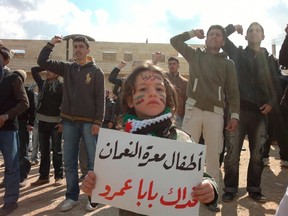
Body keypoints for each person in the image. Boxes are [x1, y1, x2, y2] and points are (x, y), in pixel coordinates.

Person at [81, 62, 219, 215]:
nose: (153, 93)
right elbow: (102, 185)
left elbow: (202, 177)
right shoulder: (118, 144)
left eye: (159, 89)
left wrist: (210, 187)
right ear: (130, 100)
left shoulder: (182, 139)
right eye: (143, 89)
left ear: (167, 98)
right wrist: (91, 187)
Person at [170, 25, 240, 211]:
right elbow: (174, 41)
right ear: (205, 38)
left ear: (223, 41)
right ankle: (181, 194)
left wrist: (234, 115)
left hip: (215, 112)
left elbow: (233, 92)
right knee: (186, 152)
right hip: (193, 109)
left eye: (218, 35)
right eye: (211, 34)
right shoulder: (195, 56)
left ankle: (211, 197)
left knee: (213, 156)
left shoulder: (228, 64)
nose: (214, 37)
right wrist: (192, 33)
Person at [37, 35, 105, 212]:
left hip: (89, 123)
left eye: (81, 46)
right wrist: (51, 44)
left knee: (93, 162)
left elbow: (100, 99)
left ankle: (93, 197)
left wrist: (98, 121)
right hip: (69, 122)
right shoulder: (67, 68)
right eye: (75, 46)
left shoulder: (96, 72)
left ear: (88, 50)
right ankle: (72, 196)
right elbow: (42, 61)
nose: (78, 49)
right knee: (69, 161)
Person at [221, 22, 279, 203]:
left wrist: (271, 103)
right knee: (232, 152)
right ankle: (230, 188)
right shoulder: (238, 54)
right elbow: (221, 38)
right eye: (250, 31)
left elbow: (276, 84)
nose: (254, 33)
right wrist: (232, 27)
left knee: (257, 153)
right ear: (245, 36)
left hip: (260, 113)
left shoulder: (270, 60)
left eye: (257, 31)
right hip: (237, 111)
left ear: (263, 36)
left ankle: (254, 189)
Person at [0, 45, 29, 215]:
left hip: (8, 129)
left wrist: (6, 116)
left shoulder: (13, 79)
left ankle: (10, 201)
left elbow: (24, 103)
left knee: (11, 166)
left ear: (6, 61)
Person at [30, 66, 64, 187]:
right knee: (43, 151)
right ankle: (44, 177)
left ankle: (58, 176)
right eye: (48, 70)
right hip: (42, 122)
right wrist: (47, 65)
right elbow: (34, 70)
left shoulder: (61, 87)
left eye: (52, 70)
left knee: (57, 150)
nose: (48, 72)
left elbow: (65, 106)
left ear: (57, 74)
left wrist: (63, 122)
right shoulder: (42, 84)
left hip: (56, 123)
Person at [13, 70, 36, 187]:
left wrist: (30, 123)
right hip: (10, 124)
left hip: (22, 124)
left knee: (23, 150)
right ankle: (11, 177)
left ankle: (22, 176)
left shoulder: (28, 92)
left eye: (18, 77)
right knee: (11, 152)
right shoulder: (9, 91)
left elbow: (33, 109)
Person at [165, 56, 187, 128]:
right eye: (170, 64)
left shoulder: (184, 82)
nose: (172, 65)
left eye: (174, 63)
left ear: (178, 66)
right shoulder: (164, 78)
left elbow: (186, 100)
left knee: (178, 136)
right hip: (166, 112)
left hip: (179, 115)